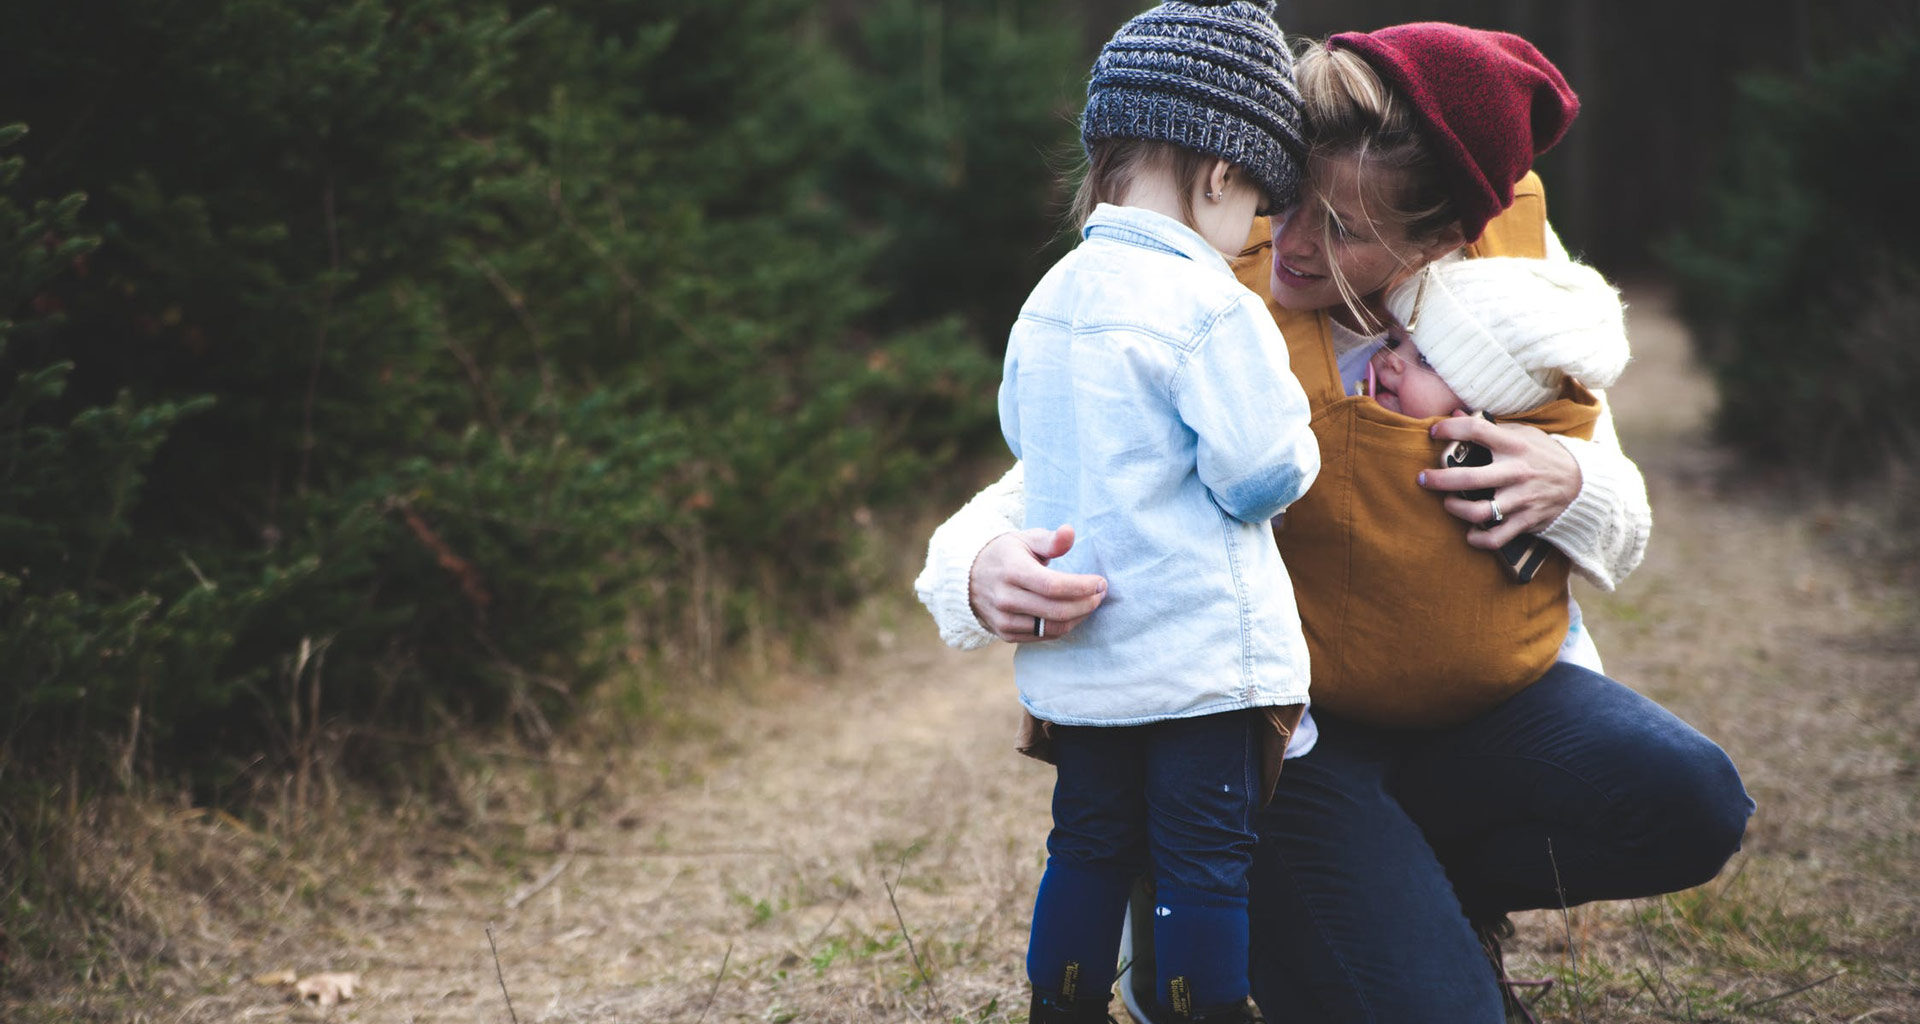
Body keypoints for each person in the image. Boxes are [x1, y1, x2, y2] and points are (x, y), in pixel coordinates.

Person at [915, 22, 1754, 1024]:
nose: (1298, 245)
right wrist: (975, 565)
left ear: (1442, 239)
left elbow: (1617, 509)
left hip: (1473, 712)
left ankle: (1419, 896)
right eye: (1292, 200)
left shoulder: (1512, 299)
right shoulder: (1206, 280)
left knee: (1693, 798)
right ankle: (1255, 898)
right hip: (1282, 739)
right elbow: (1065, 463)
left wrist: (1576, 482)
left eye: (1347, 230)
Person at [1001, 3, 1317, 1022]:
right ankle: (1202, 1008)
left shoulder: (1050, 296)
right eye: (1258, 203)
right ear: (1221, 173)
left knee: (1087, 844)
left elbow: (1023, 433)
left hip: (1086, 661)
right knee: (1203, 864)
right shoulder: (1210, 303)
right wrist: (1301, 440)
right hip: (1199, 666)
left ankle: (1061, 1004)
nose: (1254, 232)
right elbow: (1261, 471)